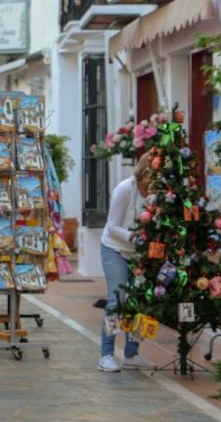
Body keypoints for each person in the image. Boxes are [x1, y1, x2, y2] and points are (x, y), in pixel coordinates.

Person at [98, 152, 154, 372]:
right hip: (115, 249)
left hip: (139, 254)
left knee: (139, 301)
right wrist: (134, 237)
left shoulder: (156, 194)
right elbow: (112, 225)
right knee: (117, 301)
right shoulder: (124, 190)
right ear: (142, 173)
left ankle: (132, 352)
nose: (152, 183)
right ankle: (106, 354)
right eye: (150, 177)